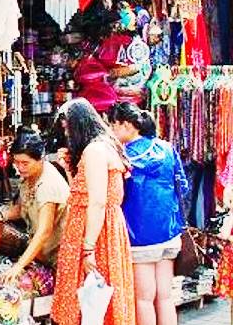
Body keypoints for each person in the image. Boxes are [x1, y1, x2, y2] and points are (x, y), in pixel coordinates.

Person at [50, 98, 136, 325]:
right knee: (92, 301)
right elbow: (83, 193)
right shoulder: (104, 146)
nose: (67, 133)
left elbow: (97, 202)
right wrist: (70, 169)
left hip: (95, 234)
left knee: (90, 302)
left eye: (68, 127)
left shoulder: (95, 150)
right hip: (97, 229)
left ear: (78, 125)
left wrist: (88, 249)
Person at [107, 102, 187, 325]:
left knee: (143, 299)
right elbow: (183, 187)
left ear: (127, 126)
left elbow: (114, 195)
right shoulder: (168, 148)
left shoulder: (121, 157)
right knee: (165, 296)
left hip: (138, 236)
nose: (111, 131)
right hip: (169, 232)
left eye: (113, 125)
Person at [0, 126, 70, 283]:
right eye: (16, 162)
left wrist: (18, 267)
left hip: (58, 261)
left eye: (25, 163)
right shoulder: (30, 175)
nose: (20, 167)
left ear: (40, 159)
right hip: (42, 256)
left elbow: (44, 231)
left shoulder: (47, 185)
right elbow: (24, 207)